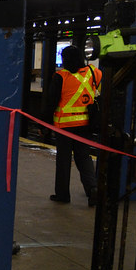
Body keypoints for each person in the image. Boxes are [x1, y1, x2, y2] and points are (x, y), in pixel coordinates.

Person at [45, 45, 102, 206]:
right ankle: (92, 189)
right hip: (85, 125)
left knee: (63, 160)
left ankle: (62, 194)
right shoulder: (93, 72)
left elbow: (51, 103)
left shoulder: (60, 77)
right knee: (84, 158)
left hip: (64, 127)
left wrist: (44, 124)